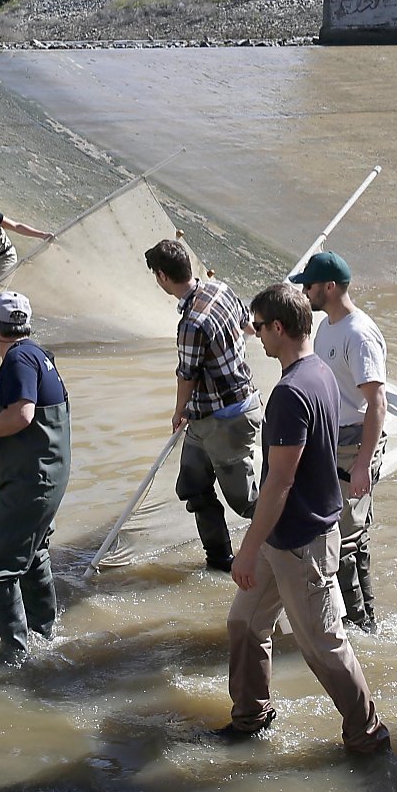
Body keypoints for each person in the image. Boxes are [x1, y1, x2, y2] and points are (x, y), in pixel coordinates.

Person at [216, 282, 391, 756]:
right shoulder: (319, 374)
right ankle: (252, 715)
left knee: (323, 645)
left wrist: (247, 550)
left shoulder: (292, 392)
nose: (254, 335)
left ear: (278, 327)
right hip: (284, 536)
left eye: (257, 326)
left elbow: (279, 482)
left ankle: (368, 733)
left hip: (302, 543)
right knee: (245, 624)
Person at [0, 290, 71, 665]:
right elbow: (31, 433)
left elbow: (23, 415)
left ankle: (14, 655)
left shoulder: (17, 361)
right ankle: (45, 634)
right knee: (33, 556)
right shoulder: (40, 355)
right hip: (46, 480)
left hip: (33, 484)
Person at [145, 237, 260, 572]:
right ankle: (220, 559)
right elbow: (248, 325)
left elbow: (187, 375)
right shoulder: (220, 289)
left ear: (163, 277)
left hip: (226, 418)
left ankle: (290, 548)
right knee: (193, 486)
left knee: (247, 501)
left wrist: (178, 411)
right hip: (210, 415)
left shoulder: (191, 323)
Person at [291, 250, 387, 633]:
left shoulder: (358, 334)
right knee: (347, 535)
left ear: (329, 287)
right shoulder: (327, 327)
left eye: (309, 286)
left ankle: (360, 626)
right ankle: (361, 621)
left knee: (344, 539)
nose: (306, 292)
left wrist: (363, 463)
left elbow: (377, 403)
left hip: (355, 442)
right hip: (332, 439)